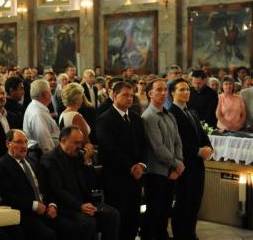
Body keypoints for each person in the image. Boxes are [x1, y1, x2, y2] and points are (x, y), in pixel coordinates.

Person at [0, 129, 82, 240]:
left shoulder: (33, 161)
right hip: (25, 214)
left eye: (26, 142)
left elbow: (46, 187)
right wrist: (34, 205)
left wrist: (52, 205)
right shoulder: (1, 165)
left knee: (74, 228)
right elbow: (8, 196)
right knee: (49, 235)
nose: (24, 146)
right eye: (19, 142)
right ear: (8, 143)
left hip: (45, 210)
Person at [40, 126, 120, 240]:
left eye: (80, 143)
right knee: (88, 222)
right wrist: (80, 206)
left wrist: (87, 163)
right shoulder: (50, 158)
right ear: (63, 140)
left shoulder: (80, 156)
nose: (79, 146)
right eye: (76, 143)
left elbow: (93, 185)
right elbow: (58, 190)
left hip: (85, 202)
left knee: (112, 214)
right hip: (65, 206)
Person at [97, 81, 147, 240]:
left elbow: (144, 144)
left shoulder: (136, 118)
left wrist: (141, 164)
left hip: (136, 176)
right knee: (119, 218)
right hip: (116, 177)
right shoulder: (105, 119)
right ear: (114, 95)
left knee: (134, 217)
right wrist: (131, 166)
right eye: (125, 95)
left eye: (132, 95)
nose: (130, 98)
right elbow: (109, 148)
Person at [168, 78, 213, 240]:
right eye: (181, 89)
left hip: (198, 165)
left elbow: (202, 135)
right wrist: (198, 151)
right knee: (183, 203)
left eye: (187, 89)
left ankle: (191, 233)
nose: (186, 92)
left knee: (195, 201)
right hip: (183, 164)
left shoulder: (192, 112)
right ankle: (181, 235)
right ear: (172, 92)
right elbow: (176, 140)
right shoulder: (171, 113)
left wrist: (208, 147)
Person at [141, 78, 184, 240]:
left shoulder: (169, 115)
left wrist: (177, 164)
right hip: (156, 171)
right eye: (159, 90)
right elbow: (158, 148)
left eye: (165, 89)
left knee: (166, 210)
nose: (163, 93)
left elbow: (177, 141)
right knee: (154, 210)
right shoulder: (149, 117)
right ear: (150, 93)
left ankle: (162, 235)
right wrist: (176, 164)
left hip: (171, 170)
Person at [23, 79, 60, 164]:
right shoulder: (38, 113)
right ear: (46, 94)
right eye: (50, 91)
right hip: (42, 157)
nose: (51, 94)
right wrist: (56, 161)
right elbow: (45, 141)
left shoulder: (37, 107)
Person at [59, 83, 93, 149]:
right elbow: (85, 141)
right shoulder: (76, 116)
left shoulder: (63, 113)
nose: (82, 100)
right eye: (81, 97)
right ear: (76, 100)